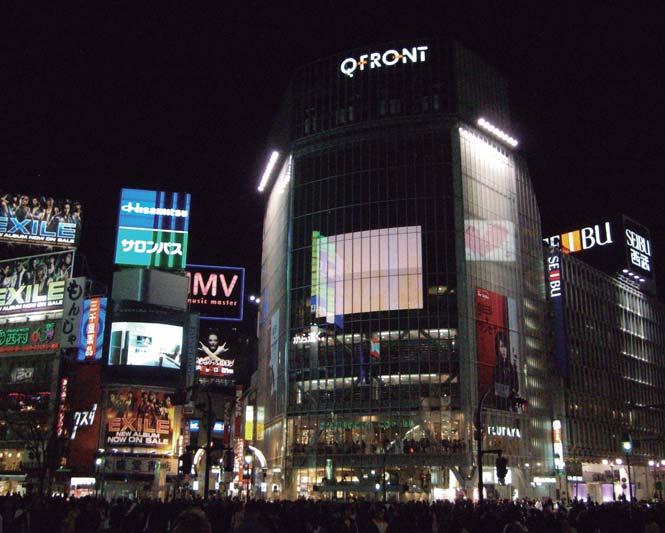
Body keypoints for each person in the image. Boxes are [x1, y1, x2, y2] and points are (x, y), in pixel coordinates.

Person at [493, 330, 518, 410]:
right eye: (501, 347)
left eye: (505, 346)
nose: (503, 350)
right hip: (501, 407)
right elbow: (496, 390)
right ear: (497, 348)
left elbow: (516, 387)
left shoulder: (511, 367)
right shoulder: (496, 368)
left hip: (511, 407)